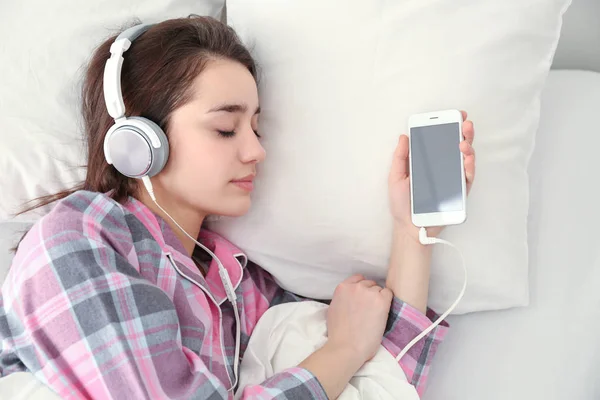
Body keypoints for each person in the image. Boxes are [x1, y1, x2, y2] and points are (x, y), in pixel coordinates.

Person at [0, 15, 476, 400]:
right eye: (226, 129)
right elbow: (346, 355)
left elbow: (385, 379)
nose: (256, 151)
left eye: (257, 129)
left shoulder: (237, 286)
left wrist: (413, 228)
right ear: (140, 141)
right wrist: (344, 346)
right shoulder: (76, 241)